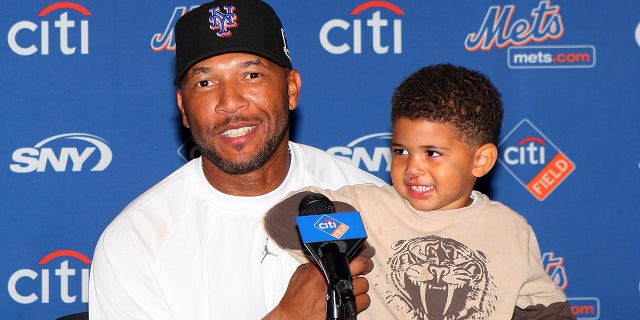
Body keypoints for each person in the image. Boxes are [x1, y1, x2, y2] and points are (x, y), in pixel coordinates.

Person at [88, 0, 386, 319]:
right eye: (205, 82)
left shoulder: (372, 206)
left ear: (291, 89)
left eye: (251, 75)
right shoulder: (135, 242)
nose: (229, 102)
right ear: (183, 108)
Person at [265, 64, 576, 319]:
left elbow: (546, 310)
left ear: (481, 160)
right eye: (401, 151)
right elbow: (282, 218)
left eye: (432, 153)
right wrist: (347, 239)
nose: (412, 168)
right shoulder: (368, 205)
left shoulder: (510, 229)